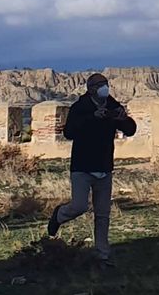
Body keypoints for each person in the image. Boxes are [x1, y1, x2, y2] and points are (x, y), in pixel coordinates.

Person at [47, 72, 137, 263]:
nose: (104, 87)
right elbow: (69, 132)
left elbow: (130, 129)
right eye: (99, 85)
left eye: (105, 84)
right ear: (90, 89)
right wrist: (92, 117)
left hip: (104, 166)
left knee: (103, 213)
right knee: (79, 206)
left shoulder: (113, 105)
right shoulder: (80, 107)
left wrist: (122, 119)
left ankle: (102, 253)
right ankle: (59, 216)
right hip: (82, 166)